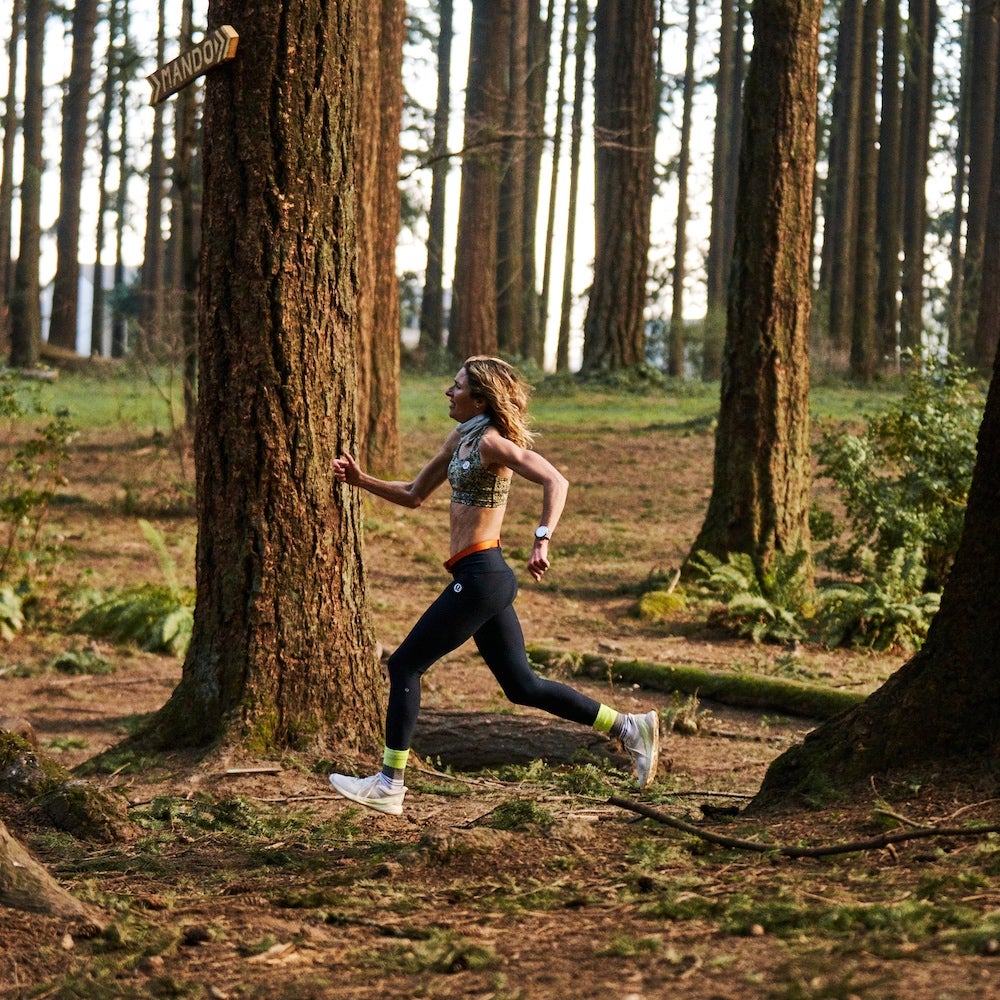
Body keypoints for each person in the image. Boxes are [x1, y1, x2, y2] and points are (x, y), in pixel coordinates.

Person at [329, 356, 660, 815]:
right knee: (522, 686)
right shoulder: (460, 438)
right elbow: (413, 495)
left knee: (404, 664)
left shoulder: (491, 443)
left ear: (480, 398)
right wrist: (359, 479)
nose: (449, 391)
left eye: (458, 386)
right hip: (478, 576)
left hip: (484, 576)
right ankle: (628, 727)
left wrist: (542, 538)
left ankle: (389, 783)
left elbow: (554, 479)